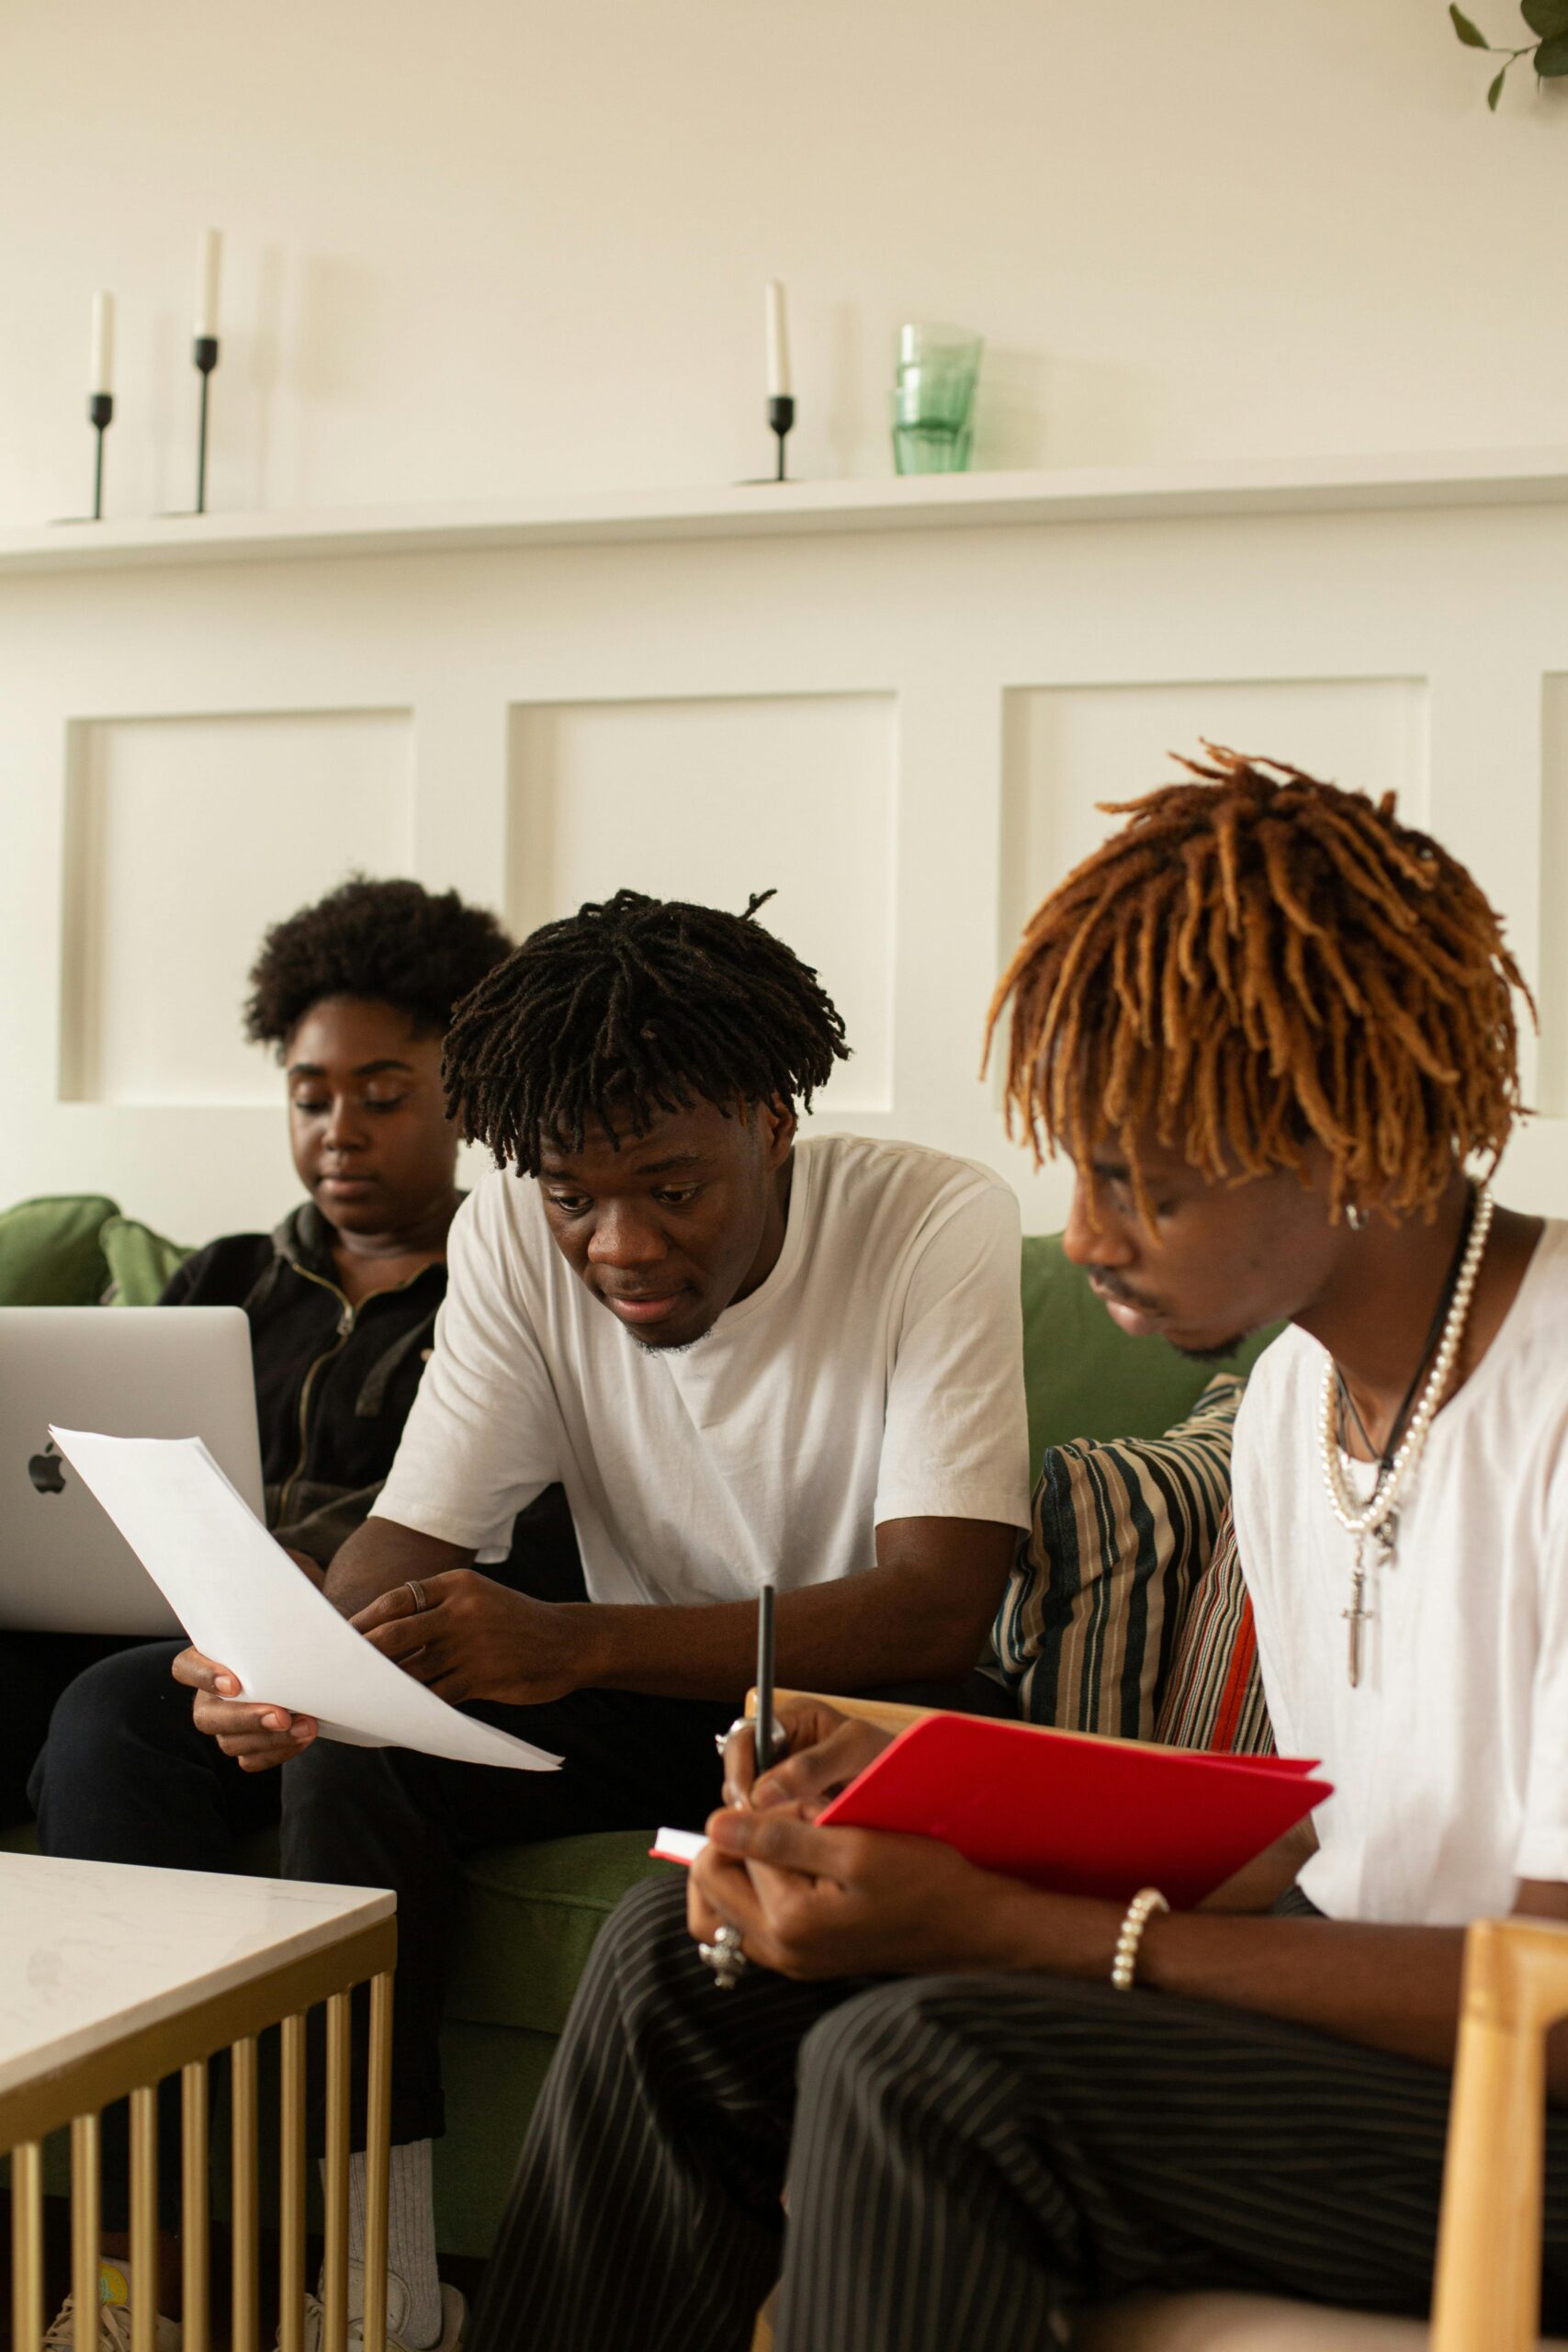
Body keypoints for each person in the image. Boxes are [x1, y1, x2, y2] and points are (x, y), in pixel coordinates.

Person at [469, 751, 1568, 2352]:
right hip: (1414, 2046)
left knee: (924, 2066)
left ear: (1359, 1143)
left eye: (1144, 1184)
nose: (1085, 1236)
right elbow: (1324, 1859)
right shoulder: (1287, 1405)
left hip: (1532, 2100)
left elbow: (1551, 1997)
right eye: (1082, 1166)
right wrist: (906, 1786)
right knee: (691, 1943)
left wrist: (1010, 1931)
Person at [178, 885, 1034, 2352]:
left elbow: (935, 1609)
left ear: (771, 1120)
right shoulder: (517, 1223)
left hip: (890, 1719)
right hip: (663, 1707)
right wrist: (291, 1655)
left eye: (672, 1189)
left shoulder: (928, 1215)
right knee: (348, 1742)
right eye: (577, 1196)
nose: (619, 1245)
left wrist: (573, 1644)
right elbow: (417, 1527)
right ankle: (376, 2287)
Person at [29, 875, 579, 2352]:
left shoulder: (520, 1285)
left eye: (385, 1094)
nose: (341, 1128)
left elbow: (508, 1538)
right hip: (171, 1633)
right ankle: (118, 2233)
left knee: (117, 1720)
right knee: (73, 1690)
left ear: (463, 1096)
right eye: (313, 1093)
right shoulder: (222, 1285)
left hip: (361, 1645)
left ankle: (269, 2250)